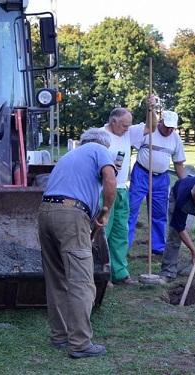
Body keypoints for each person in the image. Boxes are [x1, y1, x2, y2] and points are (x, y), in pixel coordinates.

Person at [38, 128, 117, 359]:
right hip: (71, 215)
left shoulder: (70, 155)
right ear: (104, 144)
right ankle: (80, 343)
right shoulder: (100, 149)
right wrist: (106, 212)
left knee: (56, 279)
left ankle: (60, 336)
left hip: (45, 212)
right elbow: (110, 180)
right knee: (82, 281)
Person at [101, 95, 157, 285]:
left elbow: (151, 127)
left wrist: (151, 109)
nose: (127, 129)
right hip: (103, 191)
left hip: (122, 190)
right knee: (103, 233)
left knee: (120, 233)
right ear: (113, 122)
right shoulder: (99, 136)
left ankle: (120, 273)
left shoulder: (127, 133)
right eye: (124, 125)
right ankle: (102, 272)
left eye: (128, 126)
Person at [128, 110, 186, 260]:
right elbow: (129, 145)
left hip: (161, 179)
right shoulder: (149, 131)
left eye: (172, 128)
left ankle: (158, 247)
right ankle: (124, 244)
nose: (169, 130)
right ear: (160, 122)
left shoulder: (175, 138)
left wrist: (185, 184)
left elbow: (178, 163)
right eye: (167, 127)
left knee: (159, 214)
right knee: (131, 210)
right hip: (141, 174)